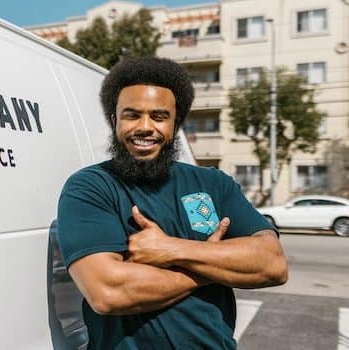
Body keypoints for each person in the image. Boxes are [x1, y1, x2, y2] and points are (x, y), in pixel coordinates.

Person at [56, 56, 288, 349]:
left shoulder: (214, 184)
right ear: (115, 120)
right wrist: (209, 264)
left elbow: (272, 262)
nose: (145, 127)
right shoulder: (90, 187)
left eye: (158, 116)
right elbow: (108, 292)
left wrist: (171, 249)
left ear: (175, 123)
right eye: (131, 115)